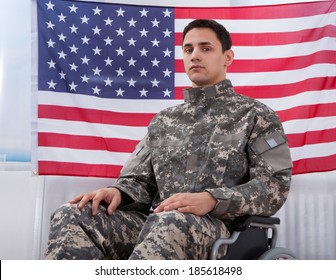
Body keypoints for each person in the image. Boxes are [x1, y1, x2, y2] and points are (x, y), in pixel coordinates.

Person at [44, 19, 292, 260]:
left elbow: (274, 186)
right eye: (188, 49)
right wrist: (117, 191)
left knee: (170, 221)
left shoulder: (256, 115)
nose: (195, 55)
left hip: (220, 231)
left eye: (206, 48)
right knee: (73, 214)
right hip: (155, 224)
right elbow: (137, 182)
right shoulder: (163, 121)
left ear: (227, 57)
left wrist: (213, 199)